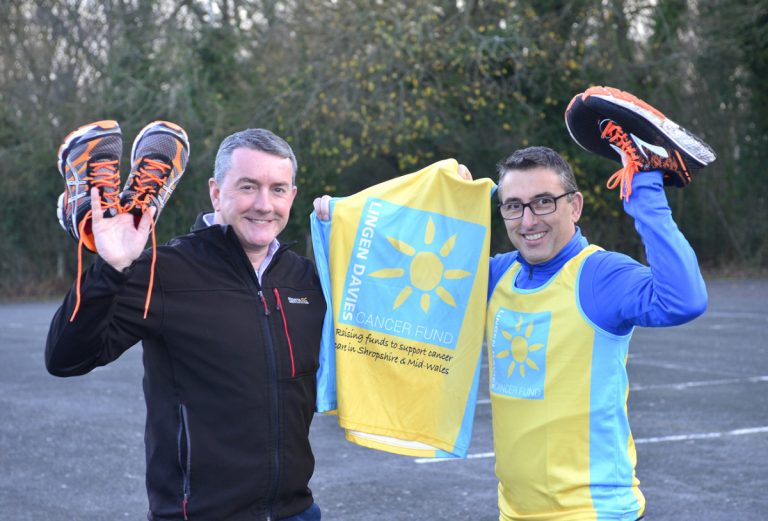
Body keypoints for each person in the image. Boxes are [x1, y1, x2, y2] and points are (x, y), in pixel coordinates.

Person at [314, 86, 712, 520]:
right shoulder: (497, 275)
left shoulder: (598, 275)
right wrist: (346, 219)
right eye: (513, 206)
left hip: (593, 512)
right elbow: (405, 261)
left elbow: (684, 300)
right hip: (515, 511)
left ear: (575, 206)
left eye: (544, 202)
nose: (528, 221)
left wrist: (646, 191)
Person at [46, 124, 326, 521]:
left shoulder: (307, 281)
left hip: (297, 512)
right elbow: (66, 358)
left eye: (278, 189)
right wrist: (111, 266)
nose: (265, 204)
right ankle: (89, 216)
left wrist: (439, 200)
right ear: (216, 191)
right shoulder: (168, 271)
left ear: (292, 196)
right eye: (248, 187)